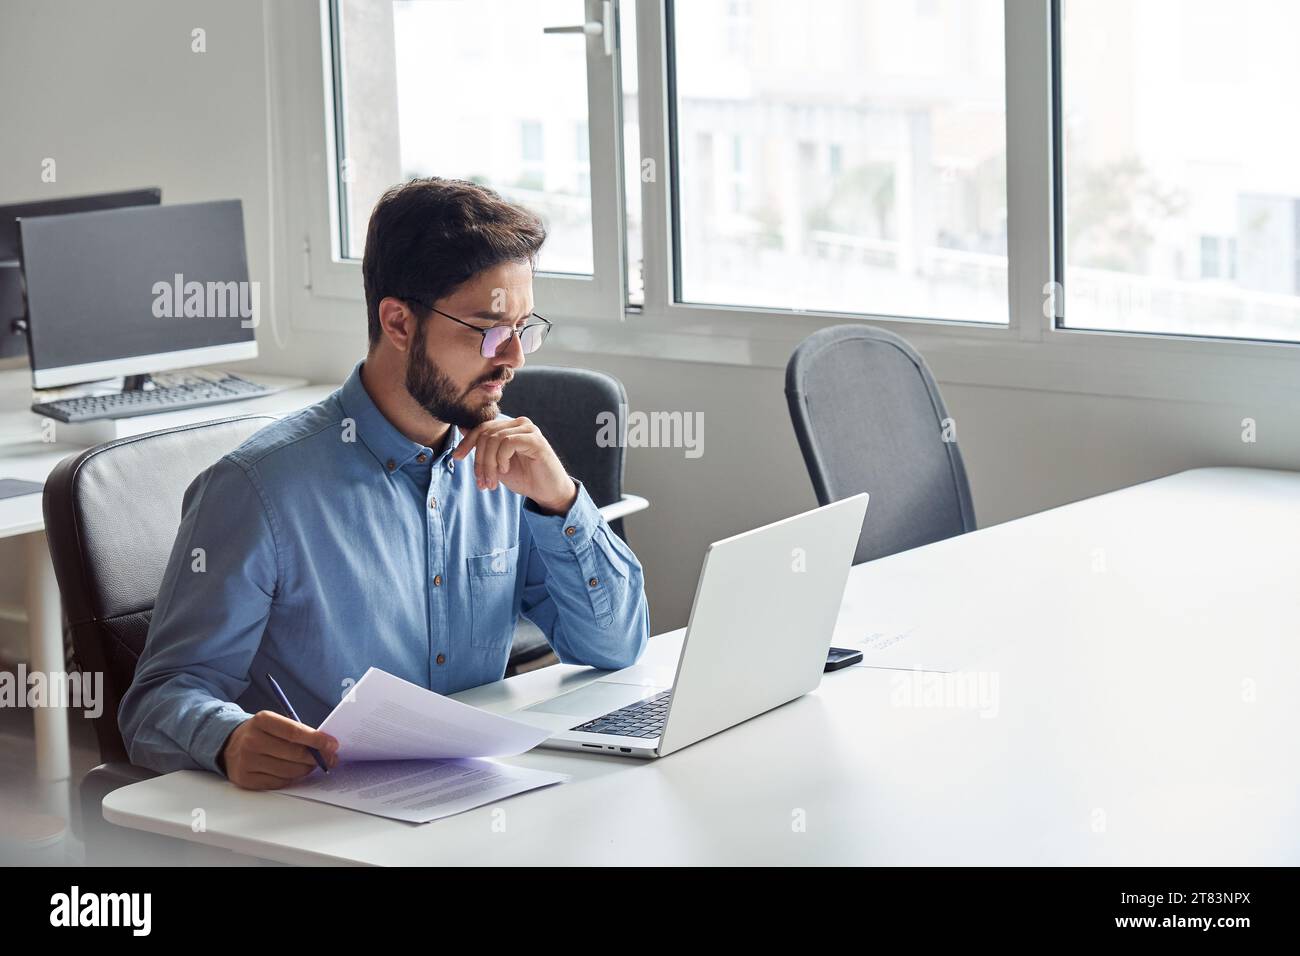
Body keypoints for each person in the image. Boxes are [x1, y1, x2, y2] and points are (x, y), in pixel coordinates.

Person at [119, 177, 650, 789]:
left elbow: (614, 646)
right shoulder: (257, 490)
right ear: (398, 322)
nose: (514, 359)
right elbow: (157, 702)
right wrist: (228, 738)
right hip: (322, 818)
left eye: (524, 329)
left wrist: (561, 503)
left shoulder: (505, 469)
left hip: (473, 794)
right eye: (490, 330)